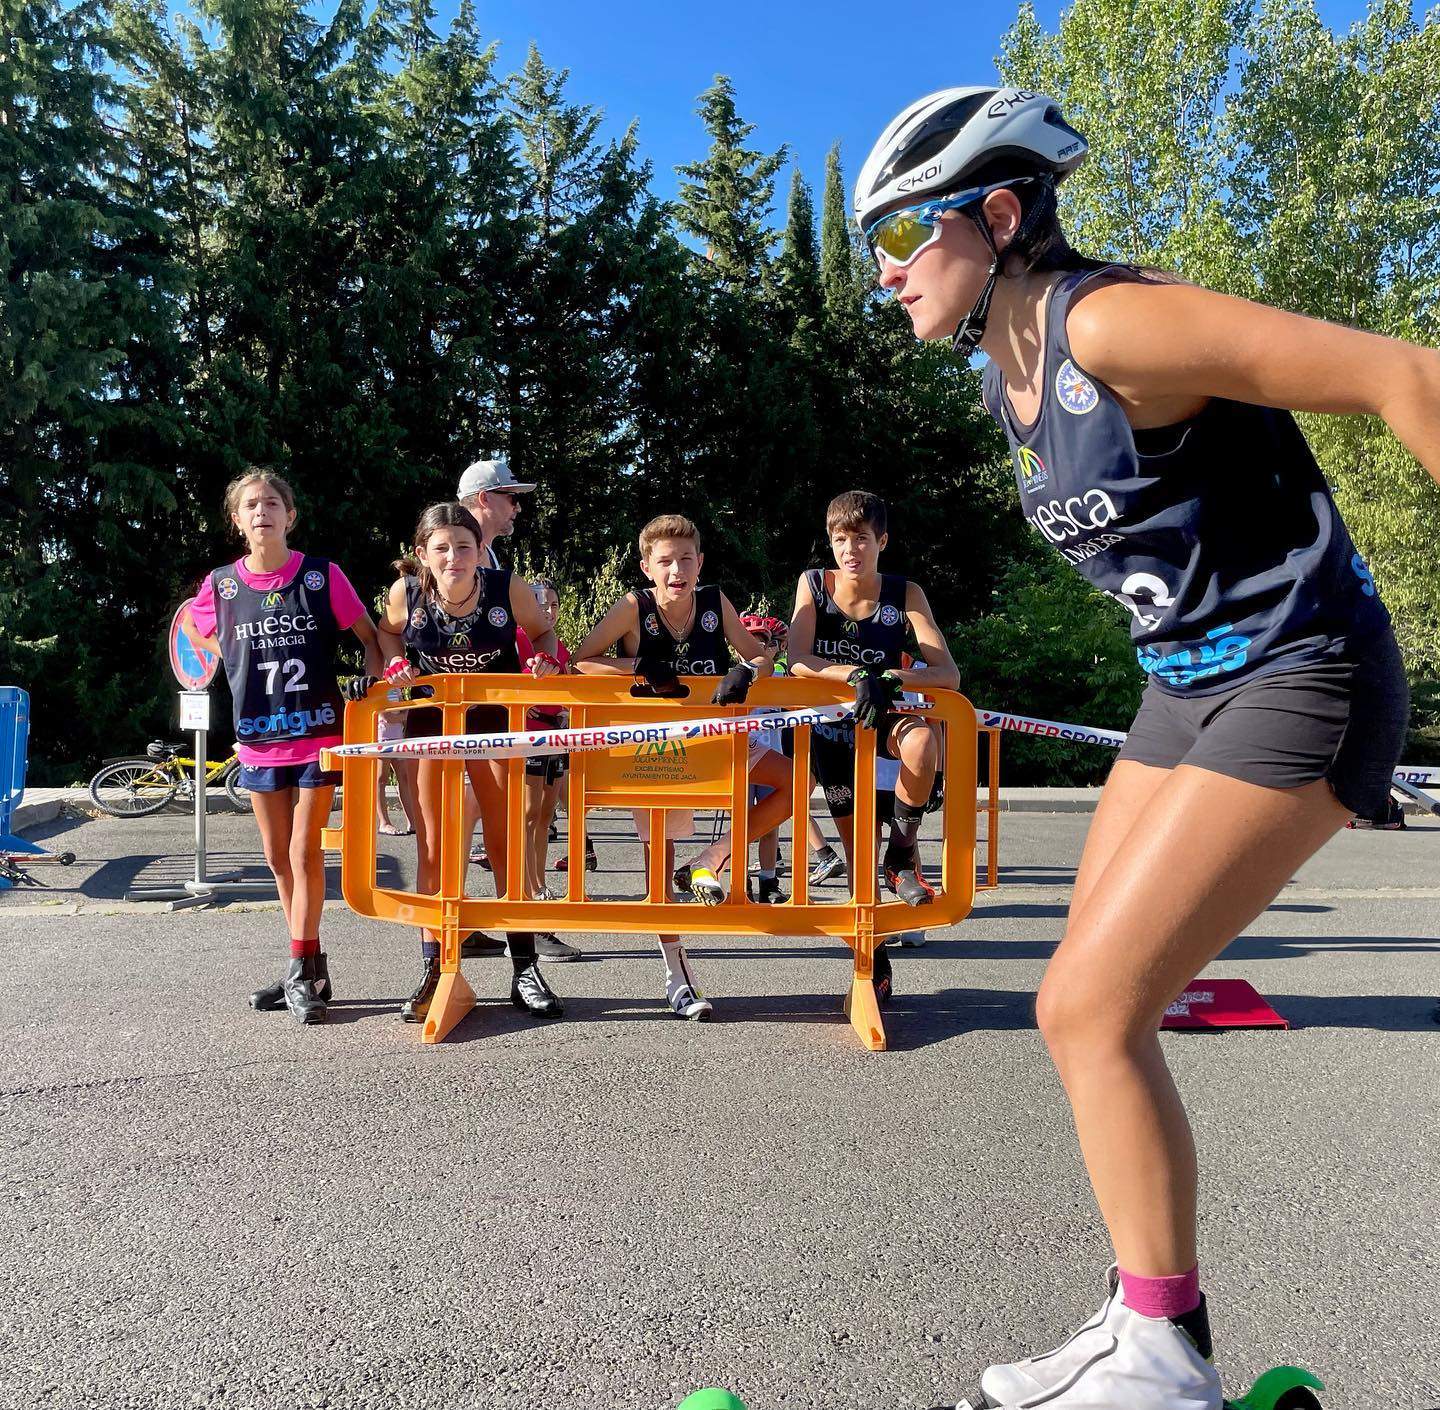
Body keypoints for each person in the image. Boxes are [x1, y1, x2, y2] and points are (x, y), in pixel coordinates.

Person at [855, 87, 1423, 1409]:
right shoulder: (1008, 375)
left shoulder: (1107, 321)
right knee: (1085, 1009)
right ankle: (1148, 1320)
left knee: (1088, 1007)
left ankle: (1163, 1361)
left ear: (997, 216)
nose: (883, 275)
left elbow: (1409, 376)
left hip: (1302, 670)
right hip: (1185, 692)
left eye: (901, 239)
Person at [183, 468, 384, 1025]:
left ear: (290, 516)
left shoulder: (321, 577)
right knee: (276, 860)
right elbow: (193, 633)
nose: (261, 512)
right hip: (258, 741)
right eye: (250, 505)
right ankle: (310, 960)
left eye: (272, 503)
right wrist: (218, 653)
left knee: (303, 852)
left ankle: (299, 968)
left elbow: (370, 638)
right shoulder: (219, 587)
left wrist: (370, 696)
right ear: (236, 520)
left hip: (319, 735)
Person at [572, 514, 790, 1020]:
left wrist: (744, 669)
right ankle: (678, 976)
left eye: (686, 559)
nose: (677, 570)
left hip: (717, 740)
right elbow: (579, 660)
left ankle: (711, 858)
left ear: (700, 563)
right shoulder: (634, 607)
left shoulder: (715, 602)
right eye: (665, 561)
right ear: (647, 566)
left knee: (798, 782)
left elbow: (763, 659)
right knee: (657, 872)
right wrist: (641, 668)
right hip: (655, 753)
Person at [374, 502, 567, 1023]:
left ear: (480, 550)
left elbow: (544, 632)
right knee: (434, 846)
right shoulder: (406, 594)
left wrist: (543, 657)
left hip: (494, 719)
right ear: (422, 555)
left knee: (505, 841)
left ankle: (524, 966)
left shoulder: (508, 588)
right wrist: (393, 662)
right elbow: (384, 632)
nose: (454, 556)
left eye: (464, 546)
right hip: (434, 722)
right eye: (442, 548)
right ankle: (435, 965)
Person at [788, 490, 961, 1000]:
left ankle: (903, 852)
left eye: (861, 539)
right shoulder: (813, 584)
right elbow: (797, 656)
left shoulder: (905, 592)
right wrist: (853, 673)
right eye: (840, 540)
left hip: (883, 719)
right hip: (832, 728)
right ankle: (873, 959)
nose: (850, 550)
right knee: (854, 850)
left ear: (881, 542)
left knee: (924, 741)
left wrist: (890, 677)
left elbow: (948, 673)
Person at [455, 455, 535, 869]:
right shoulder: (450, 552)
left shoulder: (490, 556)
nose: (517, 507)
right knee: (454, 824)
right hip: (451, 708)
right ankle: (457, 929)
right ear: (484, 498)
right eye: (511, 497)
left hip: (488, 706)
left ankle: (497, 923)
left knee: (488, 813)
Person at [515, 578, 582, 961]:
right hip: (528, 733)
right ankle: (526, 896)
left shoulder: (558, 644)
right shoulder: (520, 639)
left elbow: (571, 685)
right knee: (525, 816)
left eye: (554, 604)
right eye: (540, 603)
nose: (548, 610)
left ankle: (539, 887)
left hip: (556, 733)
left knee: (544, 815)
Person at [375, 688, 417, 837]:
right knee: (381, 779)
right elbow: (387, 717)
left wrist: (404, 714)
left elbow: (401, 712)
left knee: (404, 778)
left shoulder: (397, 686)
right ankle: (384, 822)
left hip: (399, 738)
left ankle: (412, 822)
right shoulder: (379, 682)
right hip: (383, 739)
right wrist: (406, 715)